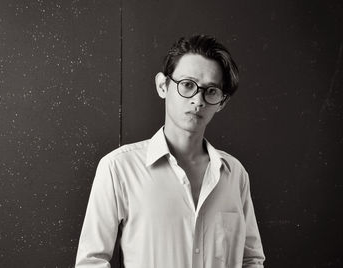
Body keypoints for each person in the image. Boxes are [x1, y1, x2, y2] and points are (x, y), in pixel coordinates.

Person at [75, 35, 265, 268]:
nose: (198, 100)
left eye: (211, 91)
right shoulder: (119, 168)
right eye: (187, 85)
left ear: (222, 101)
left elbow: (251, 260)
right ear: (163, 86)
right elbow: (91, 262)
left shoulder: (235, 174)